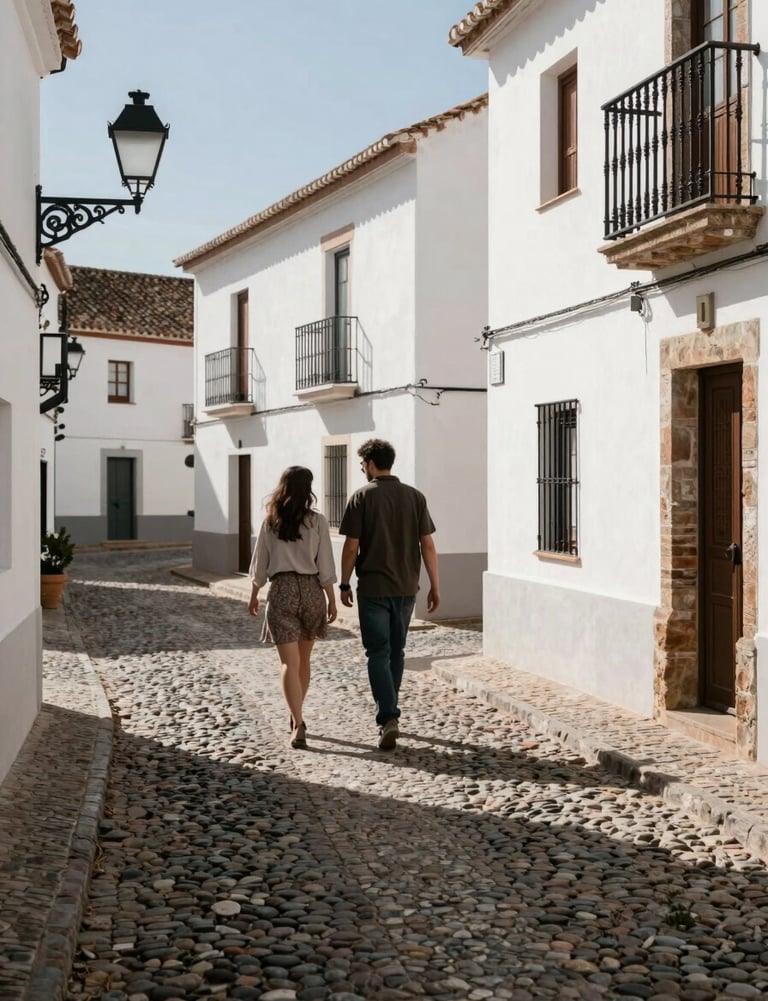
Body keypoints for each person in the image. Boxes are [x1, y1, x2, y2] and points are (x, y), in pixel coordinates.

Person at [338, 438, 440, 750]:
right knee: (397, 652)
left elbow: (352, 546)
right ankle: (390, 711)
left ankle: (387, 716)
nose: (362, 469)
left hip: (373, 589)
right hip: (407, 588)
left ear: (370, 463)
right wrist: (435, 585)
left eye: (362, 464)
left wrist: (343, 583)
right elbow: (428, 545)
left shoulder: (362, 497)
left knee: (377, 653)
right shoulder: (415, 497)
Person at [248, 466, 337, 749]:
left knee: (288, 663)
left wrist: (254, 593)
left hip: (282, 591)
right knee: (304, 661)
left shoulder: (270, 522)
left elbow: (259, 562)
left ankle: (297, 721)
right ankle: (295, 713)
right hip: (312, 591)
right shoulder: (317, 521)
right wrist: (332, 598)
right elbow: (325, 565)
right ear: (307, 488)